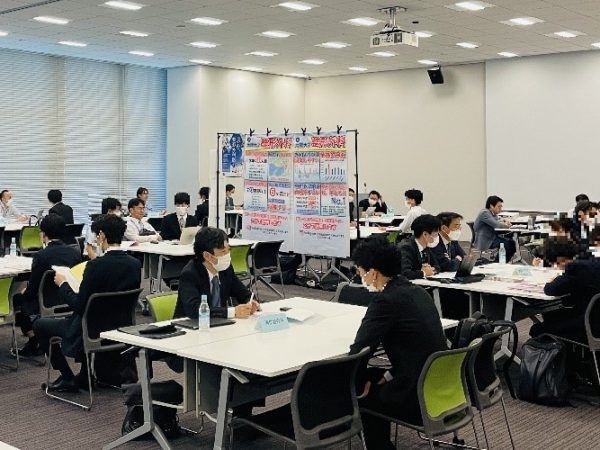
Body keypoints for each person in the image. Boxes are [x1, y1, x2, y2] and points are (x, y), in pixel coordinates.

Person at [348, 238, 446, 450]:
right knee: (372, 377)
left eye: (360, 271)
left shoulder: (385, 301)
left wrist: (355, 385)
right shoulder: (417, 291)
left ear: (373, 273)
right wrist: (386, 375)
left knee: (361, 395)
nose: (360, 277)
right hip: (442, 389)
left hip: (418, 398)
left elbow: (360, 349)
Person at [33, 215, 141, 392]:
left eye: (97, 236)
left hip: (90, 330)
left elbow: (79, 305)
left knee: (39, 324)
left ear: (102, 235)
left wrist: (63, 284)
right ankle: (84, 375)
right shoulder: (135, 264)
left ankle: (67, 377)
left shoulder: (95, 266)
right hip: (121, 327)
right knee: (90, 313)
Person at [13, 214, 81, 356]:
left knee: (17, 299)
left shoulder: (41, 256)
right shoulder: (75, 253)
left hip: (45, 303)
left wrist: (25, 292)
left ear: (43, 234)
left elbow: (32, 290)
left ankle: (33, 339)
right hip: (69, 301)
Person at [174, 227, 259, 319]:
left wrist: (250, 302)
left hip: (219, 323)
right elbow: (194, 310)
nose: (227, 255)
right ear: (207, 255)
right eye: (223, 251)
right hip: (191, 324)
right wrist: (232, 312)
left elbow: (243, 293)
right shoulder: (190, 274)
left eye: (229, 250)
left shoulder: (225, 268)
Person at [530, 237, 600, 342]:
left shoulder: (575, 268)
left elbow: (550, 289)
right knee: (551, 314)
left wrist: (555, 278)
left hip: (588, 325)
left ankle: (559, 349)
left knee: (537, 329)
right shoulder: (590, 261)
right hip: (593, 317)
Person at [398, 214, 441, 279]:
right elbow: (405, 273)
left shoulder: (426, 246)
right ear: (425, 234)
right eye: (436, 234)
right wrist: (424, 273)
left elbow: (437, 266)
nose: (437, 236)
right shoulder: (406, 248)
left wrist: (431, 270)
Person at [473, 195, 516, 261]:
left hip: (492, 237)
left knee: (512, 243)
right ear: (491, 206)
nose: (500, 209)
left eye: (501, 206)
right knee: (508, 245)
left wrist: (504, 221)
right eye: (499, 206)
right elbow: (496, 224)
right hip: (486, 240)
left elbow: (499, 220)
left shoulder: (492, 213)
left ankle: (502, 262)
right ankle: (497, 263)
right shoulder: (484, 213)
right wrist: (507, 225)